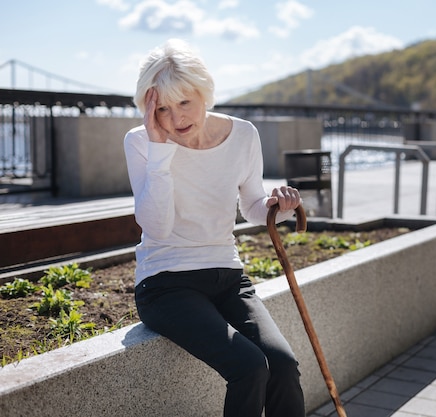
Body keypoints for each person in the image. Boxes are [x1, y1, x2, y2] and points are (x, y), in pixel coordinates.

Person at [123, 39, 306, 417]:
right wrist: (160, 150)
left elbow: (253, 206)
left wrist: (280, 207)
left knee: (283, 365)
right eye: (163, 109)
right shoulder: (141, 143)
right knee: (250, 366)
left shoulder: (242, 134)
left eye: (185, 103)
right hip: (165, 284)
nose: (176, 119)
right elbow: (157, 228)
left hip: (227, 277)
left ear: (205, 93)